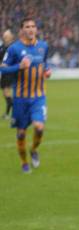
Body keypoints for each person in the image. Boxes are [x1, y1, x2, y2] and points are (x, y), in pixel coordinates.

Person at [0, 18, 50, 174]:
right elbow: (3, 69)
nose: (31, 29)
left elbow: (45, 63)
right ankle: (24, 163)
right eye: (27, 26)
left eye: (33, 26)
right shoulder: (14, 49)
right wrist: (19, 66)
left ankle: (34, 149)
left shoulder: (43, 46)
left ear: (36, 29)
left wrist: (47, 71)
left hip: (38, 96)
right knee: (21, 134)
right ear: (21, 30)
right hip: (21, 99)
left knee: (39, 127)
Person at [0, 30, 16, 119]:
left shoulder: (13, 47)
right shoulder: (2, 47)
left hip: (9, 73)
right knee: (6, 94)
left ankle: (13, 113)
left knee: (7, 93)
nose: (4, 37)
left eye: (6, 36)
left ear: (11, 37)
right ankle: (10, 113)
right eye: (4, 35)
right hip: (3, 73)